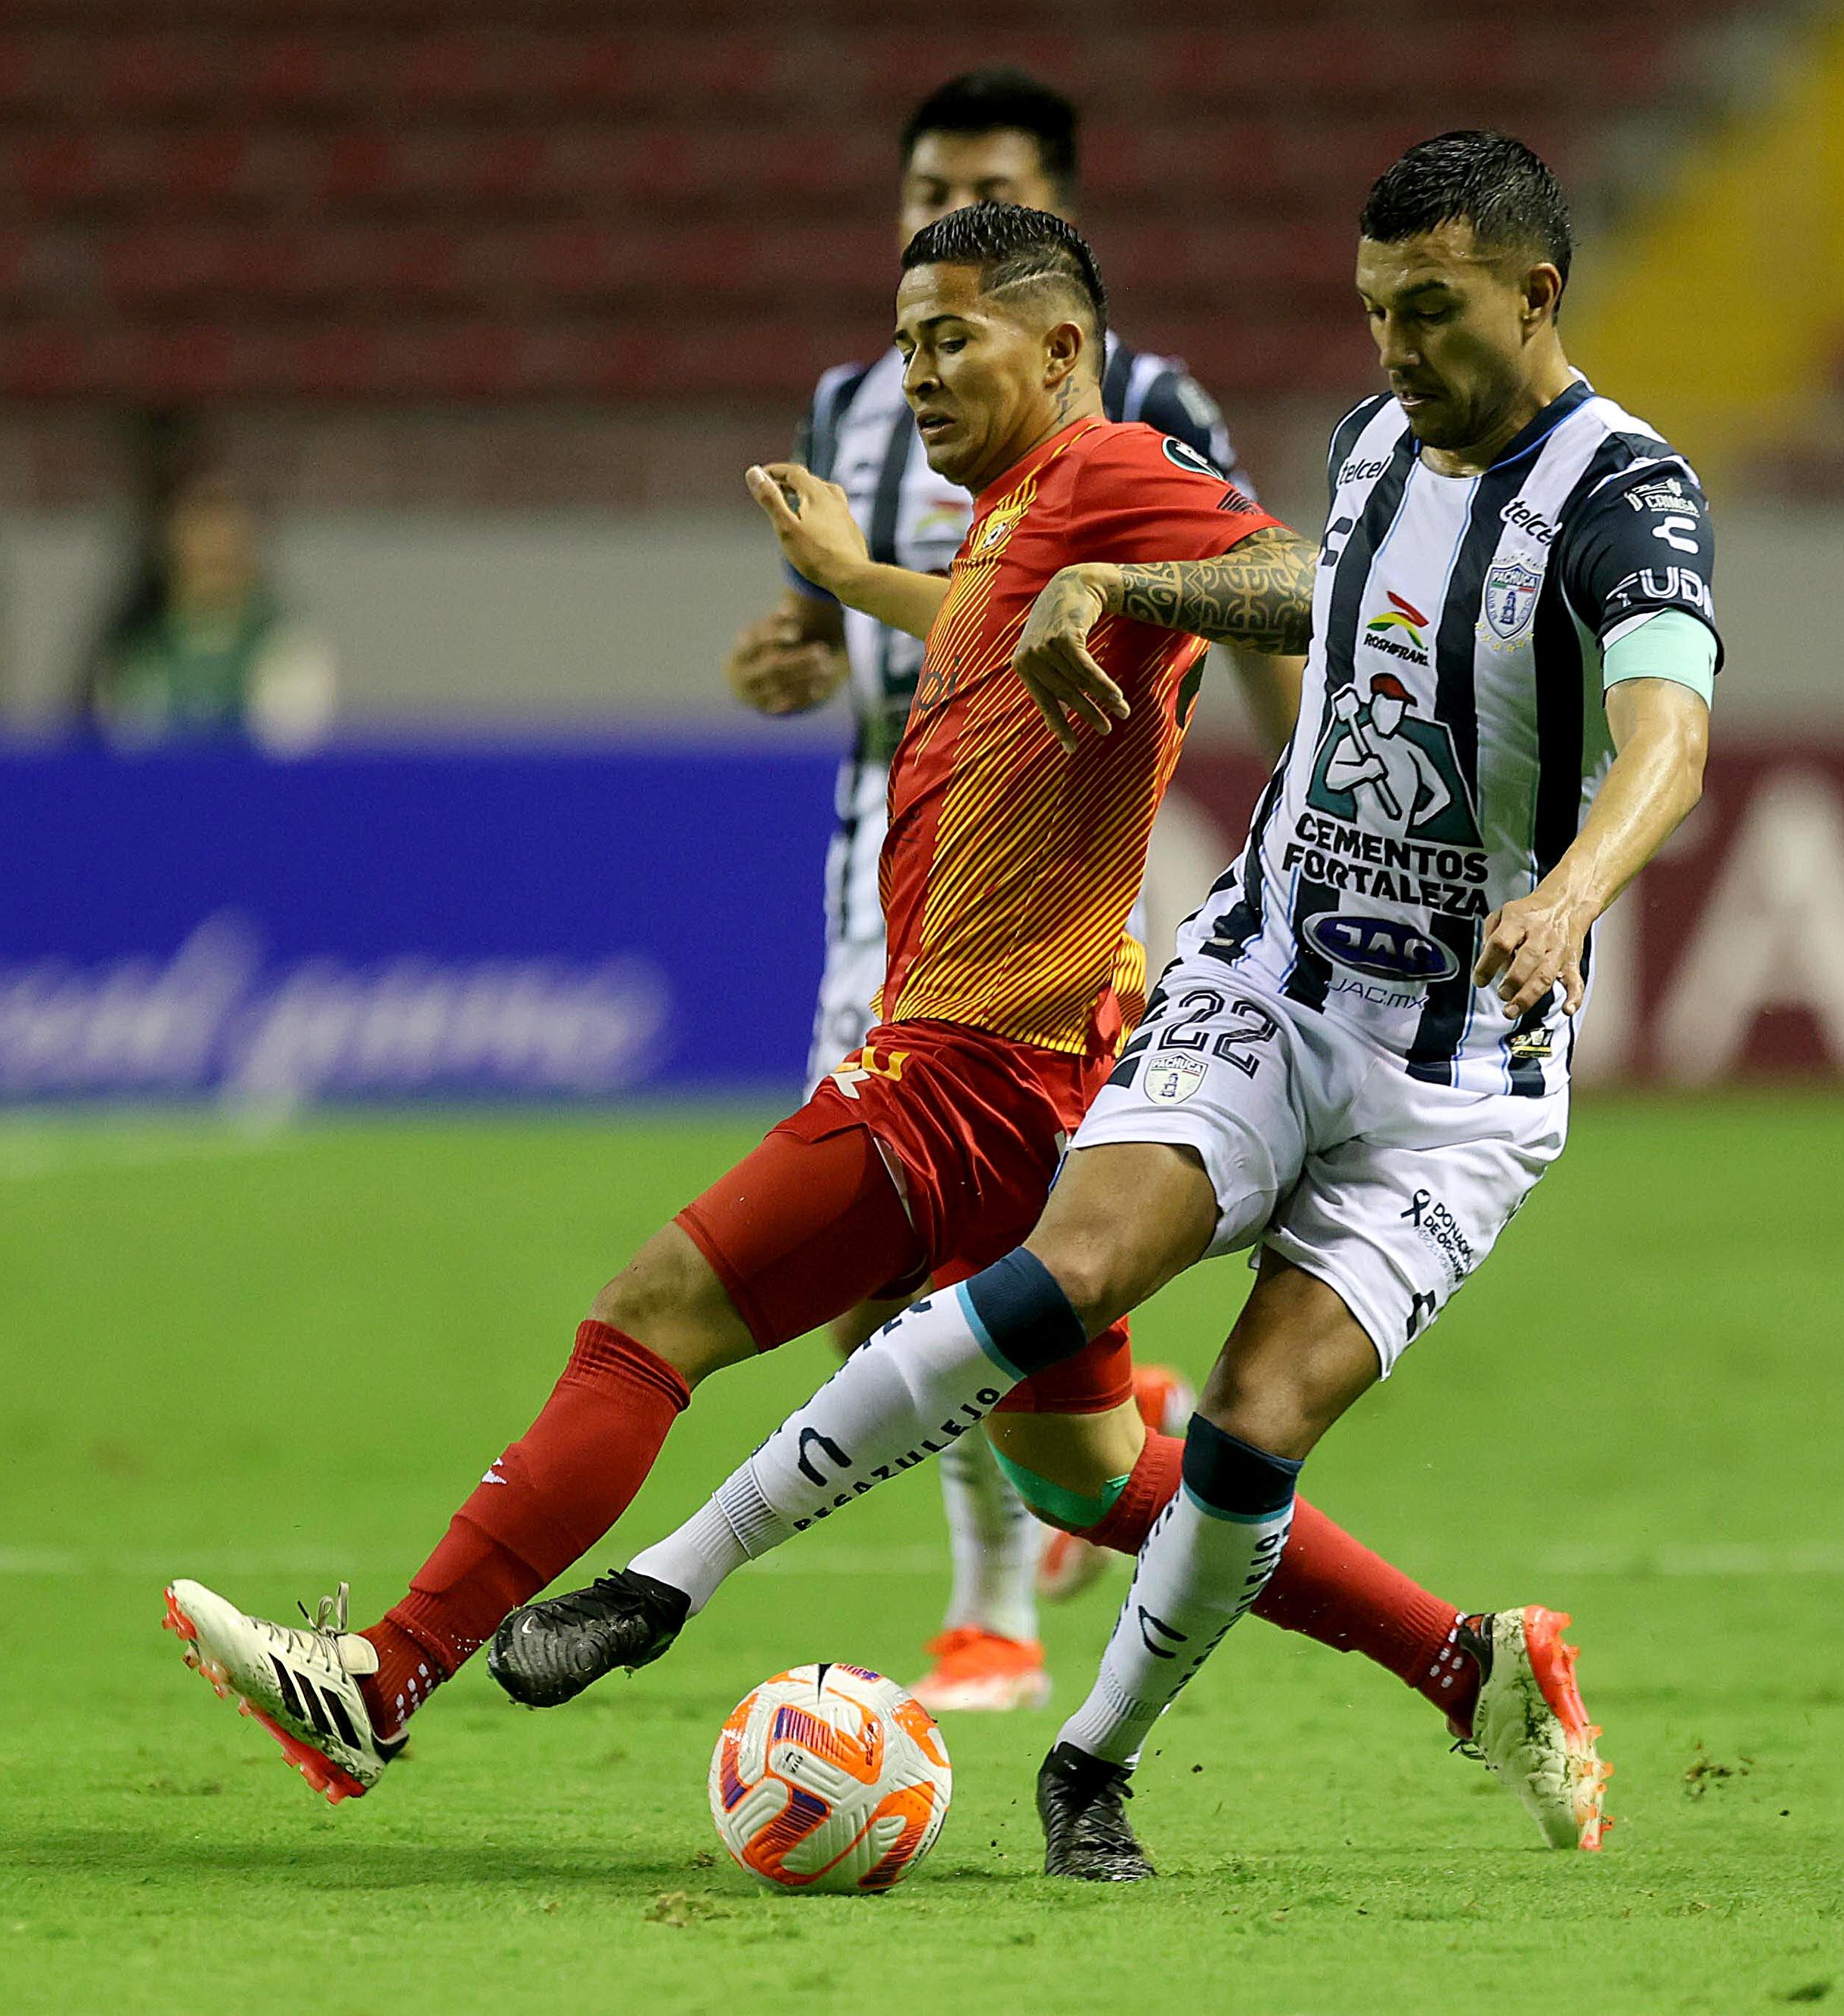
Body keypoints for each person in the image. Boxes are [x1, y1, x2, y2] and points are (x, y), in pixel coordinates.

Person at [161, 203, 1496, 1811]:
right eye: (904, 342)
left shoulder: (1104, 473)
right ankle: (1463, 1661)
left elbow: (1307, 577)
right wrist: (863, 581)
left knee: (653, 1313)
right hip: (1052, 1075)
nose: (916, 375)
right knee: (1081, 1468)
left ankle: (385, 1674)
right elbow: (1007, 622)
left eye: (954, 340)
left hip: (976, 1062)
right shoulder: (1015, 516)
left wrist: (1116, 583)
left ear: (1059, 346)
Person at [501, 132, 1722, 1878]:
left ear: (1536, 295)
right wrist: (1127, 588)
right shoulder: (1380, 439)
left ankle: (1090, 1766)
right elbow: (1288, 578)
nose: (1390, 349)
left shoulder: (1624, 495)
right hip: (1266, 979)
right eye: (1372, 309)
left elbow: (1667, 732)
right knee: (1055, 1275)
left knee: (1243, 1429)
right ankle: (660, 1583)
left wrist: (1572, 888)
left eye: (1428, 311)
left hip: (1458, 1074)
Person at [723, 65, 1302, 1713]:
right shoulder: (853, 403)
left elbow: (1257, 585)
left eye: (974, 190)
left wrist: (1283, 804)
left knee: (940, 1258)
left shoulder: (1146, 400)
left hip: (1043, 880)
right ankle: (1074, 1454)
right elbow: (874, 623)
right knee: (875, 1288)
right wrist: (802, 643)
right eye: (917, 192)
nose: (931, 218)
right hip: (879, 872)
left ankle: (993, 1605)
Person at [85, 470, 336, 753]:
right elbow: (128, 754)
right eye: (199, 553)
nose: (210, 569)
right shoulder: (136, 649)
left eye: (223, 558)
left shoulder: (287, 645)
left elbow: (289, 757)